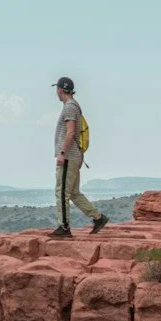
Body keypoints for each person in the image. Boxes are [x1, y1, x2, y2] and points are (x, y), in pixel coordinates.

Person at [51, 77, 107, 236]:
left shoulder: (69, 107)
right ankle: (98, 218)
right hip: (75, 155)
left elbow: (70, 132)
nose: (57, 93)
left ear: (60, 90)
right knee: (74, 193)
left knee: (61, 192)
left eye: (57, 90)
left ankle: (64, 227)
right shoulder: (75, 106)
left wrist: (62, 153)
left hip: (68, 156)